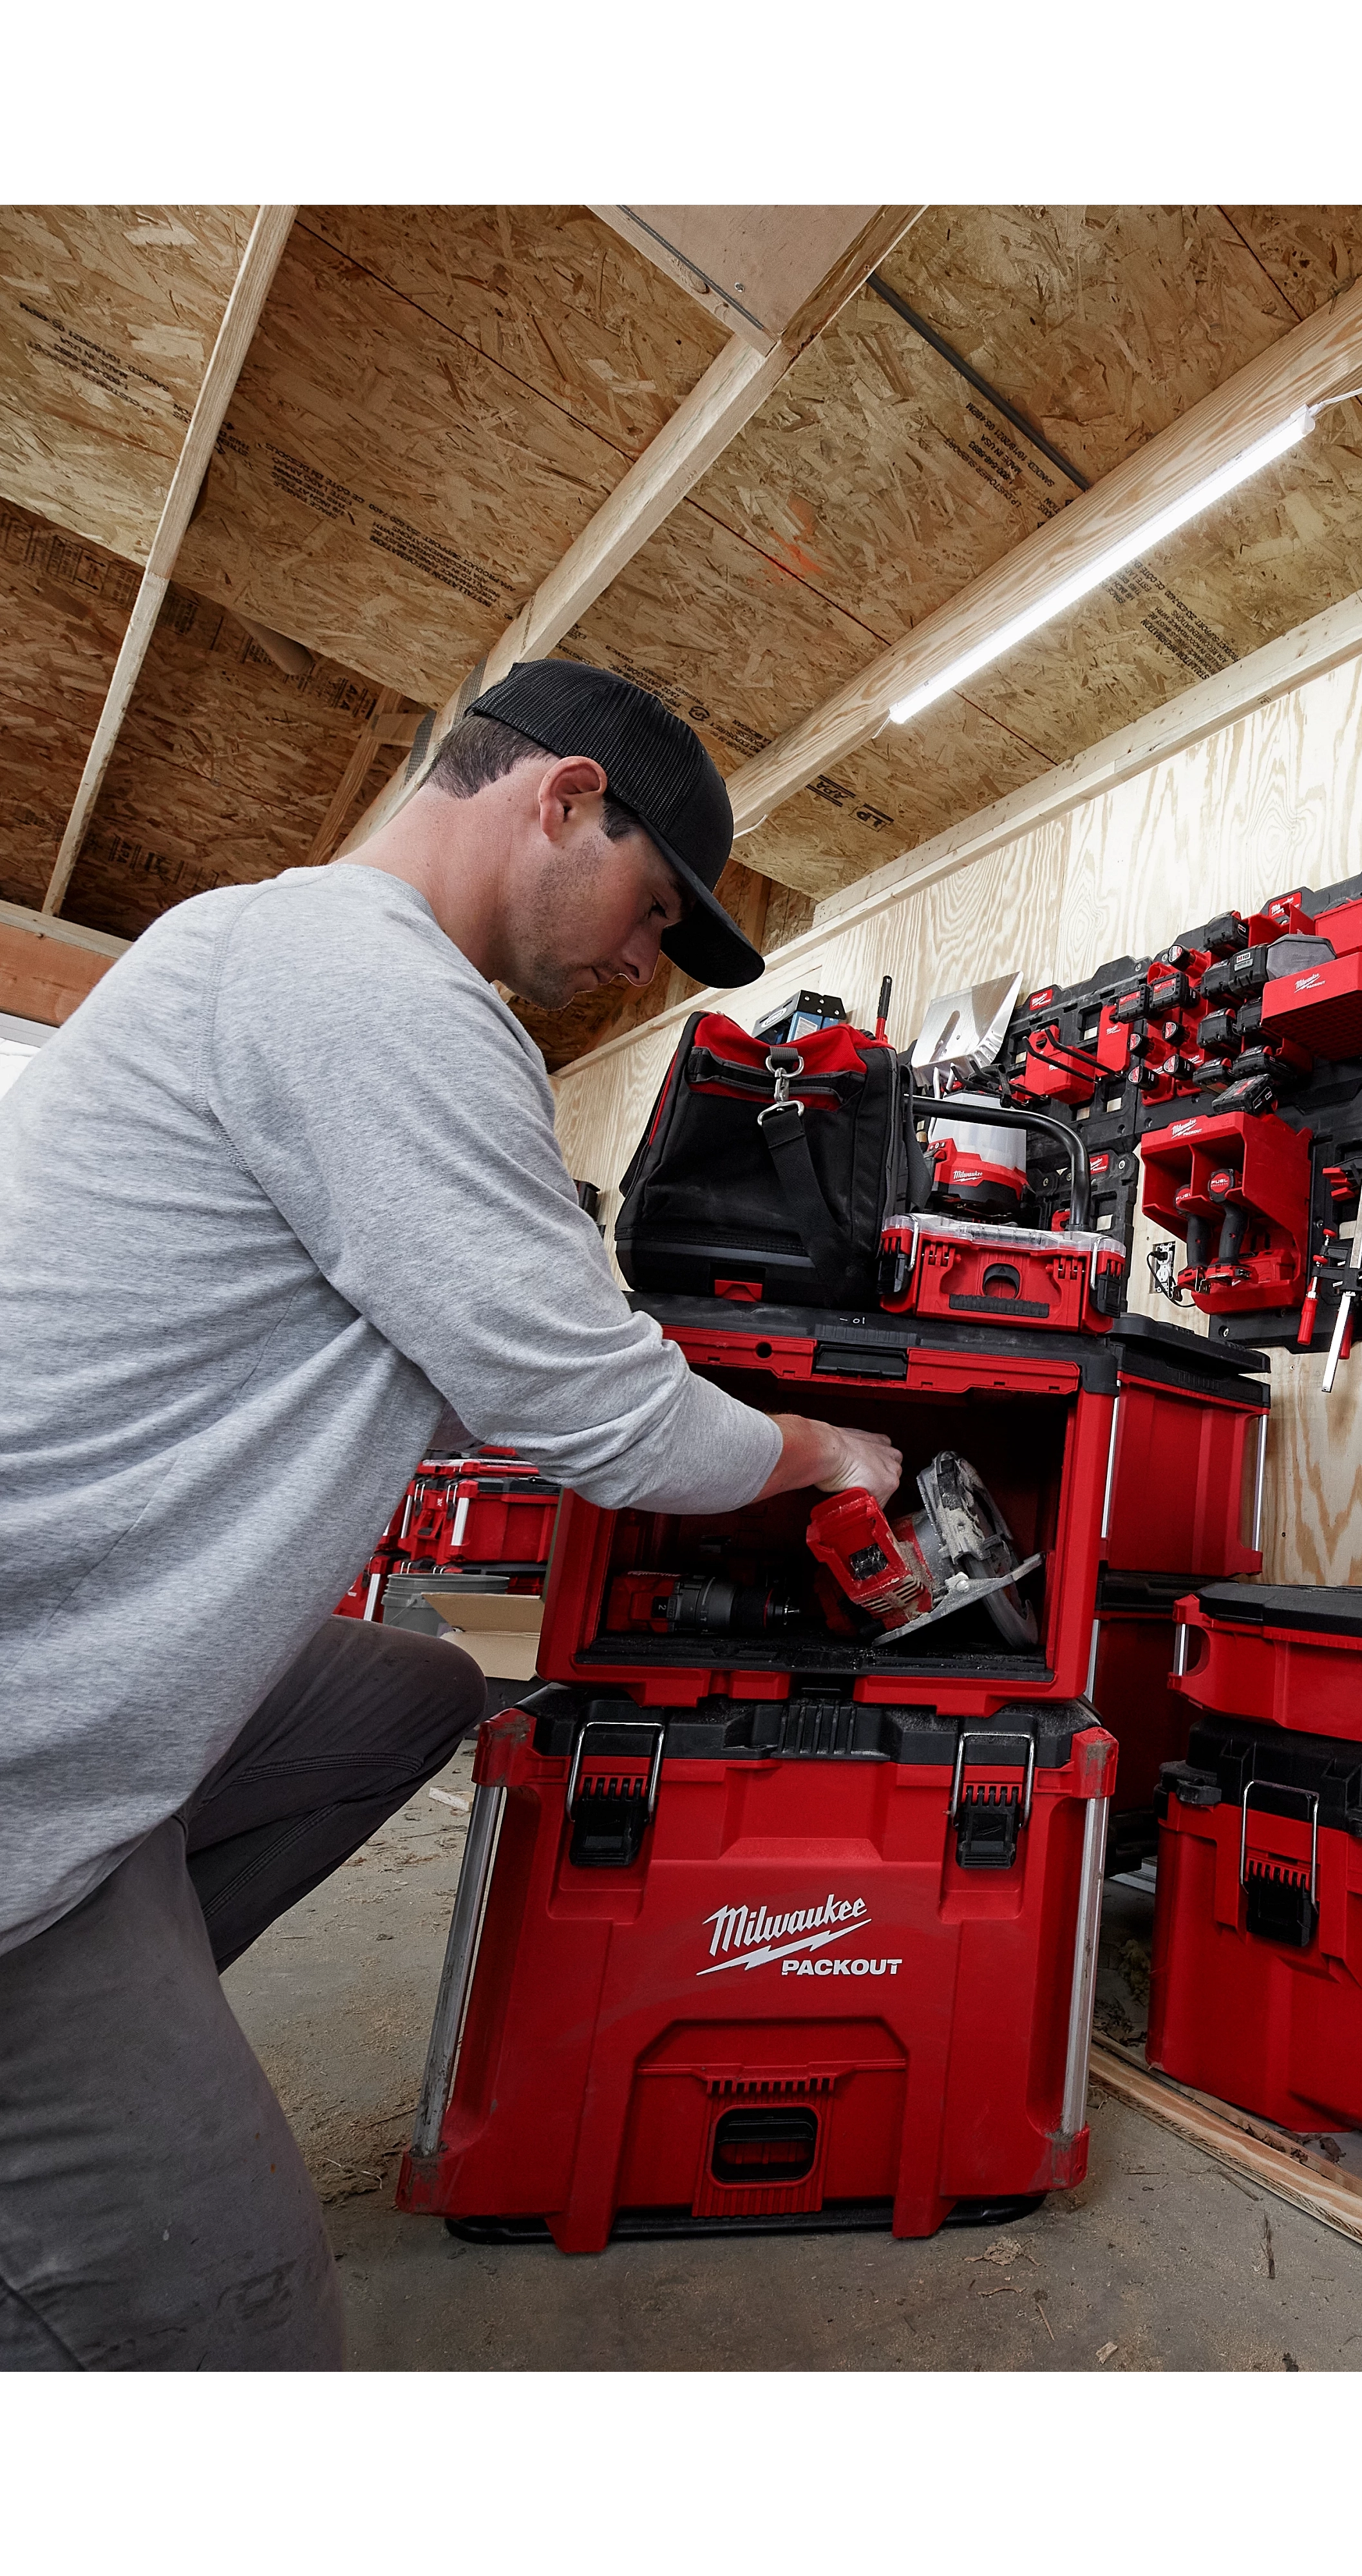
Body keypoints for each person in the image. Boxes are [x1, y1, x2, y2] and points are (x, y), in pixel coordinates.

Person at [0, 661, 898, 2373]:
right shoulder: (384, 992)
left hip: (69, 1692)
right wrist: (824, 1454)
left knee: (414, 1692)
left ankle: (122, 2029)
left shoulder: (259, 951)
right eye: (654, 911)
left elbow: (511, 1376)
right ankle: (86, 2141)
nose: (642, 965)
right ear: (562, 797)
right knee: (232, 2327)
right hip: (21, 1763)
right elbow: (603, 1424)